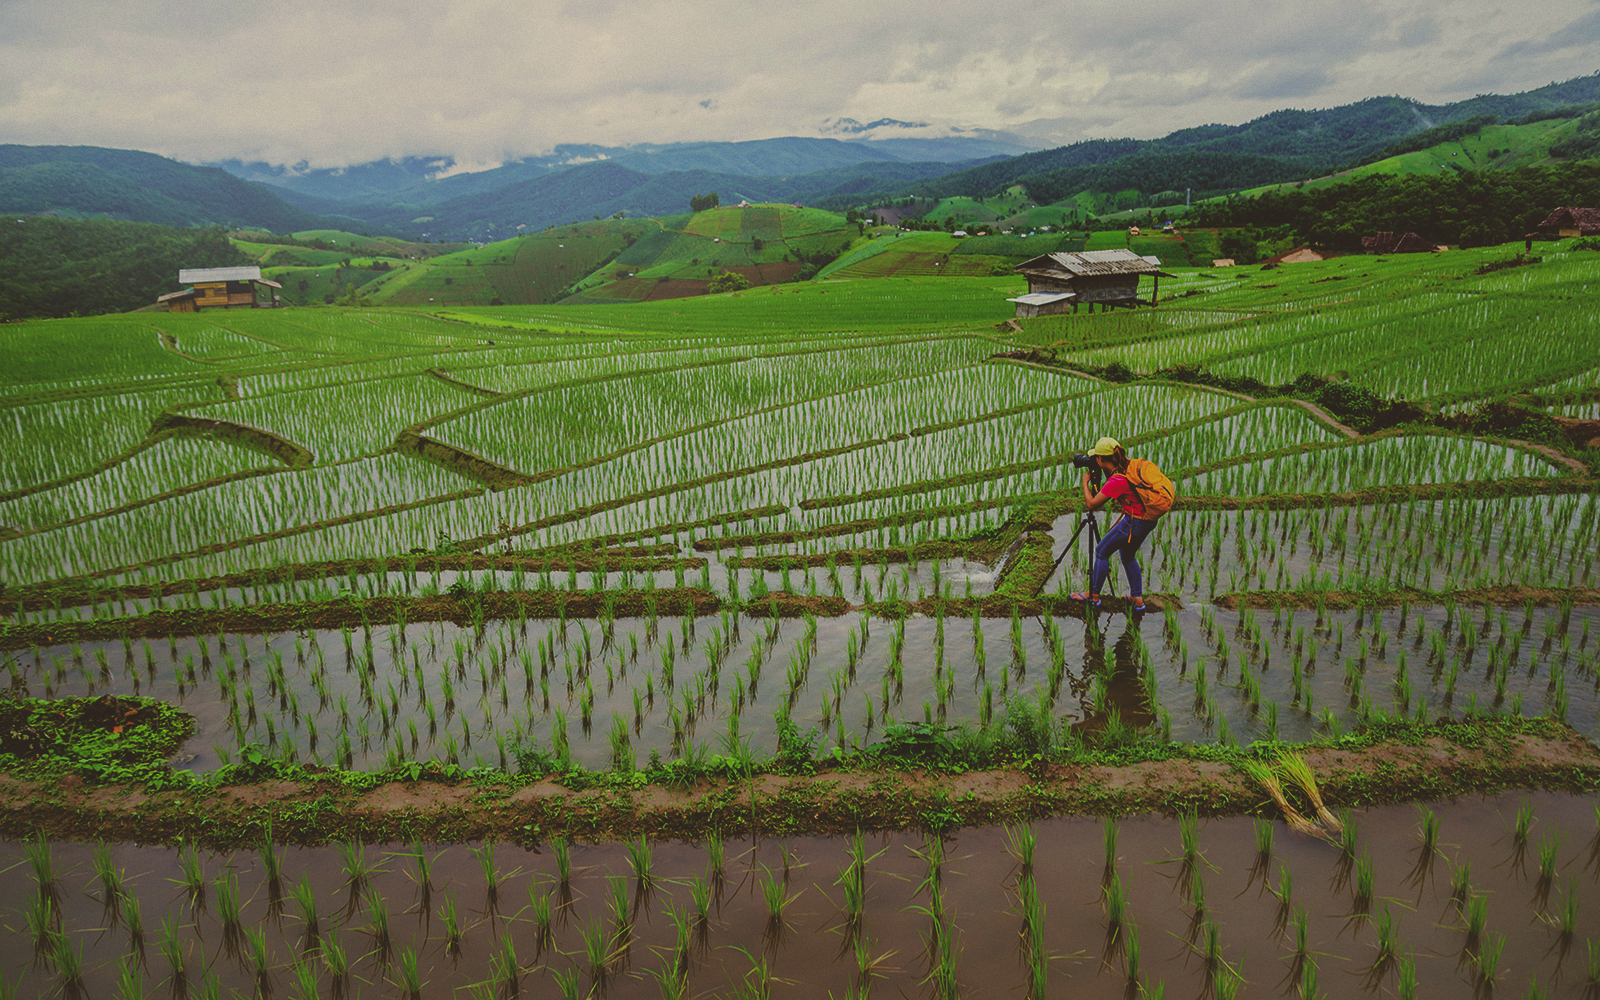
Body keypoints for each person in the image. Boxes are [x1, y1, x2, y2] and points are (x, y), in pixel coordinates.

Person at [1070, 437, 1159, 610]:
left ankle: (1094, 595)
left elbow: (1092, 504)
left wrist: (1085, 483)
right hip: (1148, 520)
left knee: (1101, 551)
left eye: (1096, 458)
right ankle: (1137, 598)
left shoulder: (1117, 480)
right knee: (1127, 555)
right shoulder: (1127, 468)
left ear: (1101, 459)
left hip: (1135, 521)